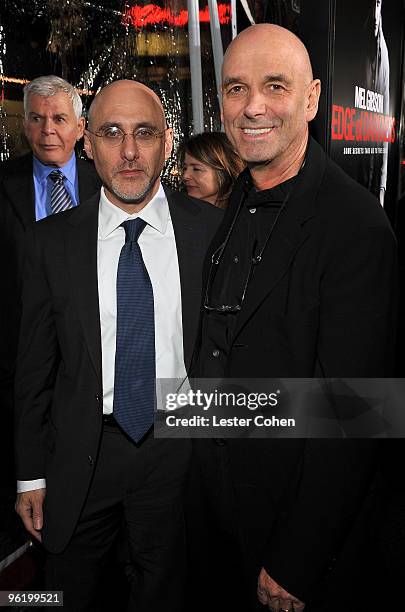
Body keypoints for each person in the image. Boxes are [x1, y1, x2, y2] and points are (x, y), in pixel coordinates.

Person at [190, 24, 397, 611]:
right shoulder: (234, 206)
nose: (252, 106)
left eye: (274, 86)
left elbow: (358, 412)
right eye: (235, 89)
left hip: (290, 539)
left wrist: (298, 556)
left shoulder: (355, 228)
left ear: (311, 99)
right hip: (217, 514)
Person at [14, 79, 222, 612]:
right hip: (83, 451)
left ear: (168, 142)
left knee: (168, 593)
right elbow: (34, 368)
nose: (128, 152)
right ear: (88, 143)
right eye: (111, 133)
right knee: (64, 594)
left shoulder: (212, 233)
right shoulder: (51, 242)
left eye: (144, 133)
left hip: (177, 449)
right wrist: (30, 474)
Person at [0, 75, 100, 486]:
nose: (48, 130)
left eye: (59, 118)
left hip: (92, 354)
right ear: (23, 125)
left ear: (80, 128)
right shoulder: (4, 184)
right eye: (37, 119)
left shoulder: (109, 184)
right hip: (19, 356)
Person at [177, 131, 244, 208]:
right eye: (184, 168)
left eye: (196, 169)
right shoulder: (176, 212)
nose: (185, 176)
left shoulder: (246, 215)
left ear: (224, 171)